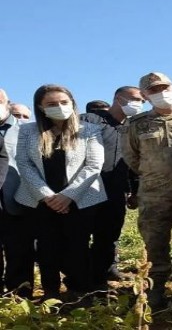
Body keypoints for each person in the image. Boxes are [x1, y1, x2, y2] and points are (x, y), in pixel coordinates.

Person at [121, 72, 172, 309]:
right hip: (153, 192)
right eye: (153, 90)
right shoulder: (136, 124)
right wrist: (155, 173)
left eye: (164, 87)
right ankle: (155, 287)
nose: (161, 93)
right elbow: (131, 157)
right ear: (146, 96)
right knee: (155, 242)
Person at [14, 84, 106, 301]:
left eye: (63, 102)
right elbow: (24, 164)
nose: (59, 107)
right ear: (40, 106)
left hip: (81, 198)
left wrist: (68, 196)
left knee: (78, 246)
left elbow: (94, 165)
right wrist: (47, 196)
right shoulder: (27, 131)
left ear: (72, 103)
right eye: (52, 104)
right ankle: (51, 292)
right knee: (46, 247)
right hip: (39, 200)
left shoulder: (89, 130)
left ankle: (80, 291)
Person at [80, 86, 144, 288]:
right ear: (118, 98)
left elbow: (134, 163)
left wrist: (135, 191)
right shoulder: (89, 121)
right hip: (84, 189)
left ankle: (102, 279)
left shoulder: (132, 127)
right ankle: (78, 280)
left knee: (108, 237)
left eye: (142, 101)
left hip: (115, 191)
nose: (138, 104)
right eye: (134, 99)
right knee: (79, 236)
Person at [0, 90, 26, 297]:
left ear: (7, 103)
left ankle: (20, 293)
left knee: (20, 250)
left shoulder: (28, 130)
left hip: (17, 198)